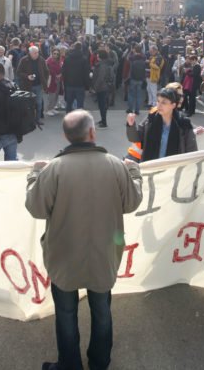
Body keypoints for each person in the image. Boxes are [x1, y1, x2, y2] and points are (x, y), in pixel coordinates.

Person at [25, 110, 143, 370]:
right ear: (92, 132)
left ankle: (69, 365)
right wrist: (134, 171)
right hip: (103, 255)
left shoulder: (53, 169)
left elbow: (36, 208)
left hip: (63, 256)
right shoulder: (114, 165)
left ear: (66, 136)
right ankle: (100, 362)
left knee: (66, 314)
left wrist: (34, 175)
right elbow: (132, 202)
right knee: (102, 311)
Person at [125, 87, 197, 162]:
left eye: (164, 102)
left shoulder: (184, 124)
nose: (159, 105)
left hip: (172, 170)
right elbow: (135, 138)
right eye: (158, 101)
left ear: (173, 105)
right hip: (150, 167)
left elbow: (191, 152)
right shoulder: (151, 118)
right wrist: (131, 125)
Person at [17, 45, 50, 122]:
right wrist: (27, 76)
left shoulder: (41, 60)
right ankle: (29, 120)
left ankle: (37, 120)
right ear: (30, 53)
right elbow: (18, 72)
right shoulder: (24, 60)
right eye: (35, 53)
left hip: (38, 85)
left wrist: (45, 80)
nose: (37, 54)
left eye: (37, 52)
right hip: (27, 86)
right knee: (28, 104)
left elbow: (46, 71)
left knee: (38, 104)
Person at [90, 49, 115, 128]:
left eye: (98, 54)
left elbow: (100, 77)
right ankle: (103, 120)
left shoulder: (102, 65)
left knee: (102, 105)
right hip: (105, 87)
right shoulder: (106, 64)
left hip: (102, 87)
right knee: (103, 105)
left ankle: (104, 122)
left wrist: (95, 87)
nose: (97, 56)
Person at [44, 48, 63, 116]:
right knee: (51, 95)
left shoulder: (59, 61)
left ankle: (52, 108)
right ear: (52, 53)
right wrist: (55, 75)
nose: (56, 55)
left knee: (56, 95)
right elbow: (47, 71)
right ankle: (48, 109)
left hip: (58, 80)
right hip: (51, 80)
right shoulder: (48, 61)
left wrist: (60, 74)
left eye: (57, 54)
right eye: (54, 53)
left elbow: (61, 69)